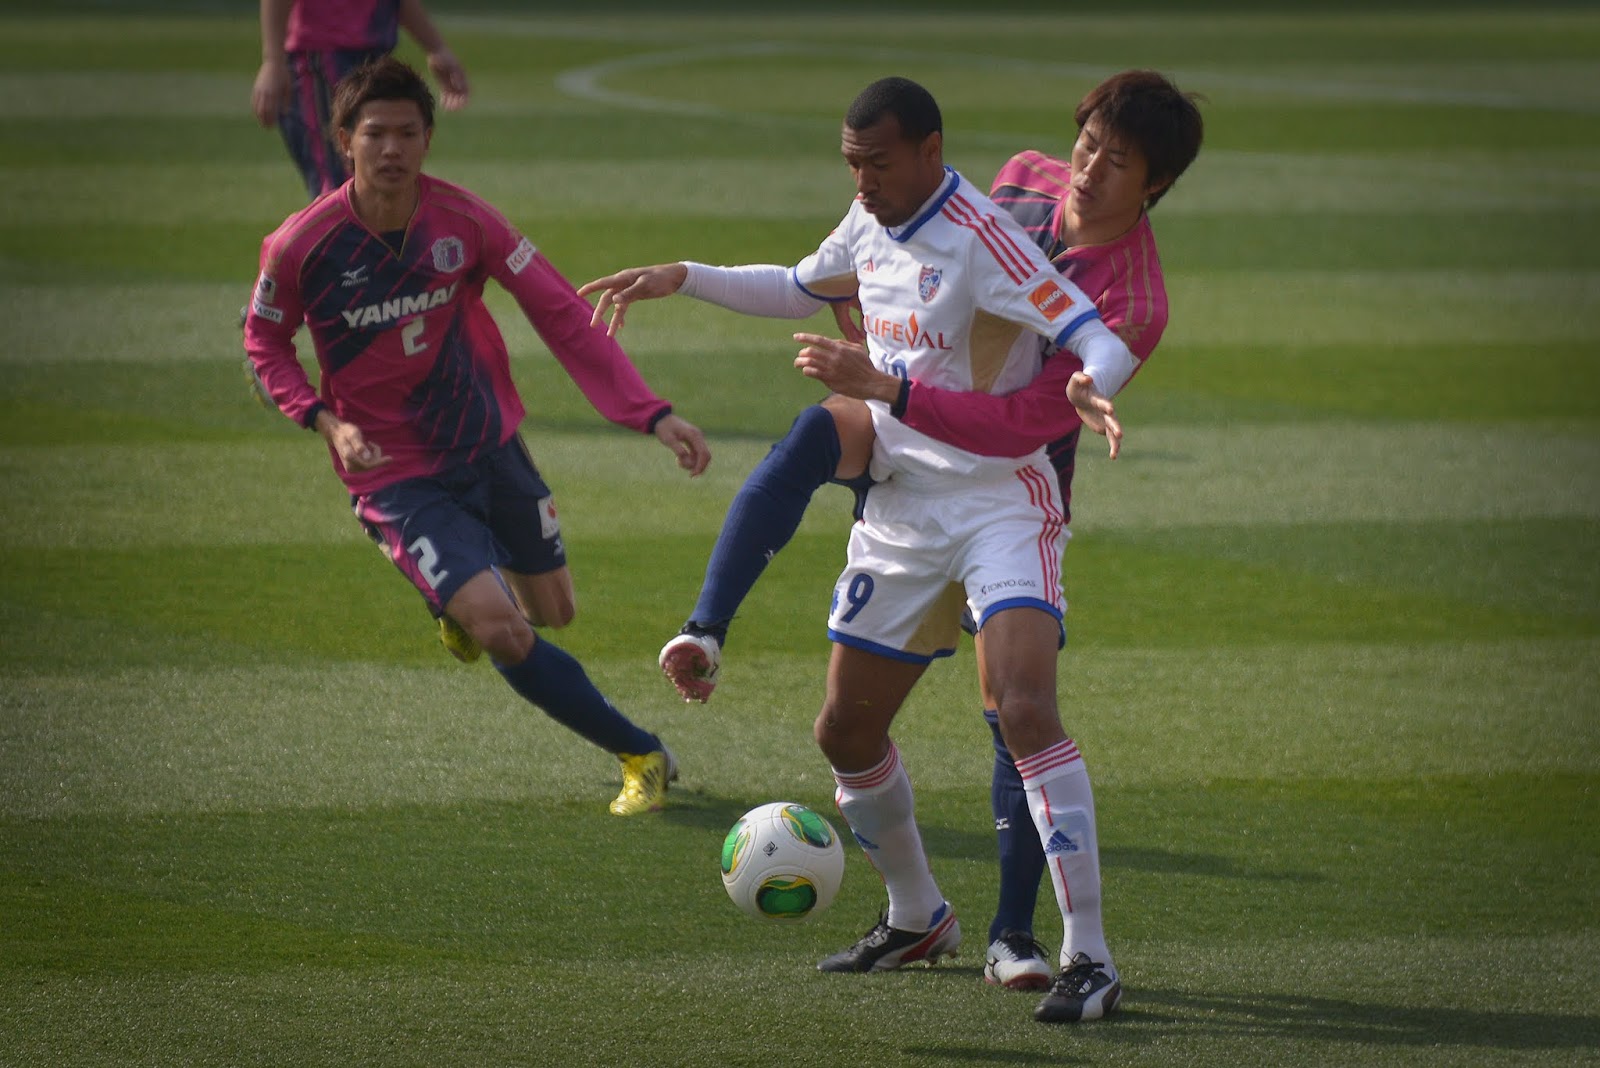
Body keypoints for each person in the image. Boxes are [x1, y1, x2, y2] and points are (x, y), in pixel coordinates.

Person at [602, 70, 1203, 991]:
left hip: (1015, 476)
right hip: (909, 481)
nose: (1087, 169)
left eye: (1117, 162)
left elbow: (1076, 352)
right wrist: (685, 277)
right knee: (844, 728)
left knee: (1019, 707)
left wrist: (1091, 380)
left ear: (1154, 184)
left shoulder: (1102, 281)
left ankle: (1061, 946)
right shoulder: (1003, 186)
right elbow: (816, 280)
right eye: (1088, 144)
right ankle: (920, 916)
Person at [243, 57, 711, 818]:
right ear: (343, 140)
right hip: (392, 471)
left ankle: (451, 598)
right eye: (374, 134)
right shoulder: (302, 246)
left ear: (428, 139)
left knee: (553, 611)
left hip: (488, 443)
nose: (390, 149)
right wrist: (326, 421)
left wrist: (650, 413)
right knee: (503, 630)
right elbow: (263, 346)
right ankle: (640, 752)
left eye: (406, 133)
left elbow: (559, 311)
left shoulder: (466, 222)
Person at [252, 0, 470, 200]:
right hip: (321, 57)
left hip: (373, 55)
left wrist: (436, 47)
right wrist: (273, 60)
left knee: (373, 187)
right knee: (341, 189)